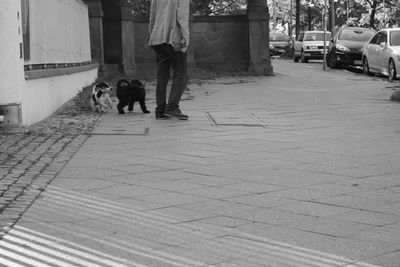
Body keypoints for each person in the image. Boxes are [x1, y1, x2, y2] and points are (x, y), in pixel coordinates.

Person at [148, 0, 190, 120]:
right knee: (181, 74)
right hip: (174, 38)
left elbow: (152, 18)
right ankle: (172, 107)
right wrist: (185, 38)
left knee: (162, 75)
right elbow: (182, 17)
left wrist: (152, 37)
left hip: (157, 38)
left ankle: (160, 110)